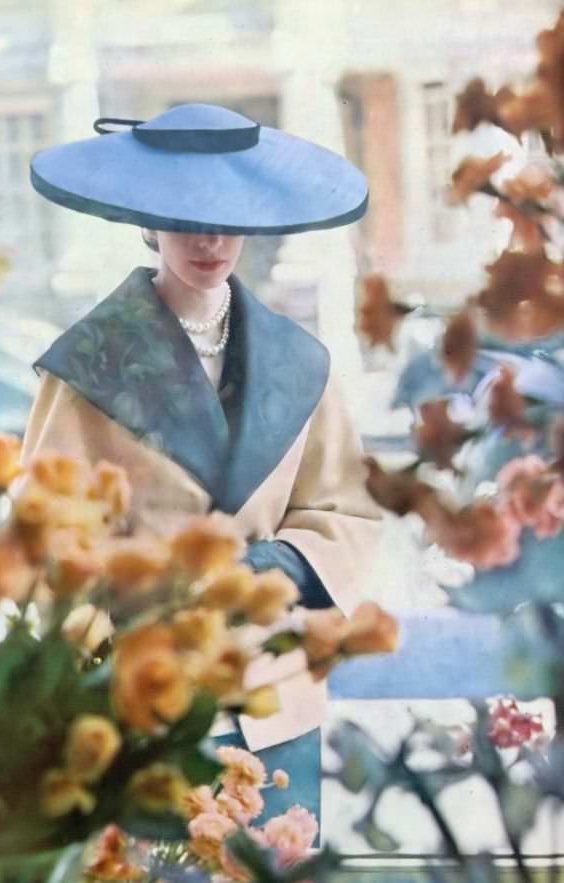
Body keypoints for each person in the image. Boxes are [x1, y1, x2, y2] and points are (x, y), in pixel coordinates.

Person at [22, 103, 382, 821]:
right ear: (149, 221)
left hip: (273, 700)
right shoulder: (90, 362)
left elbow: (346, 507)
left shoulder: (299, 361)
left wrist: (271, 567)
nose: (209, 238)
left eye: (226, 216)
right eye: (184, 216)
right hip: (141, 698)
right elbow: (44, 531)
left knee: (270, 862)